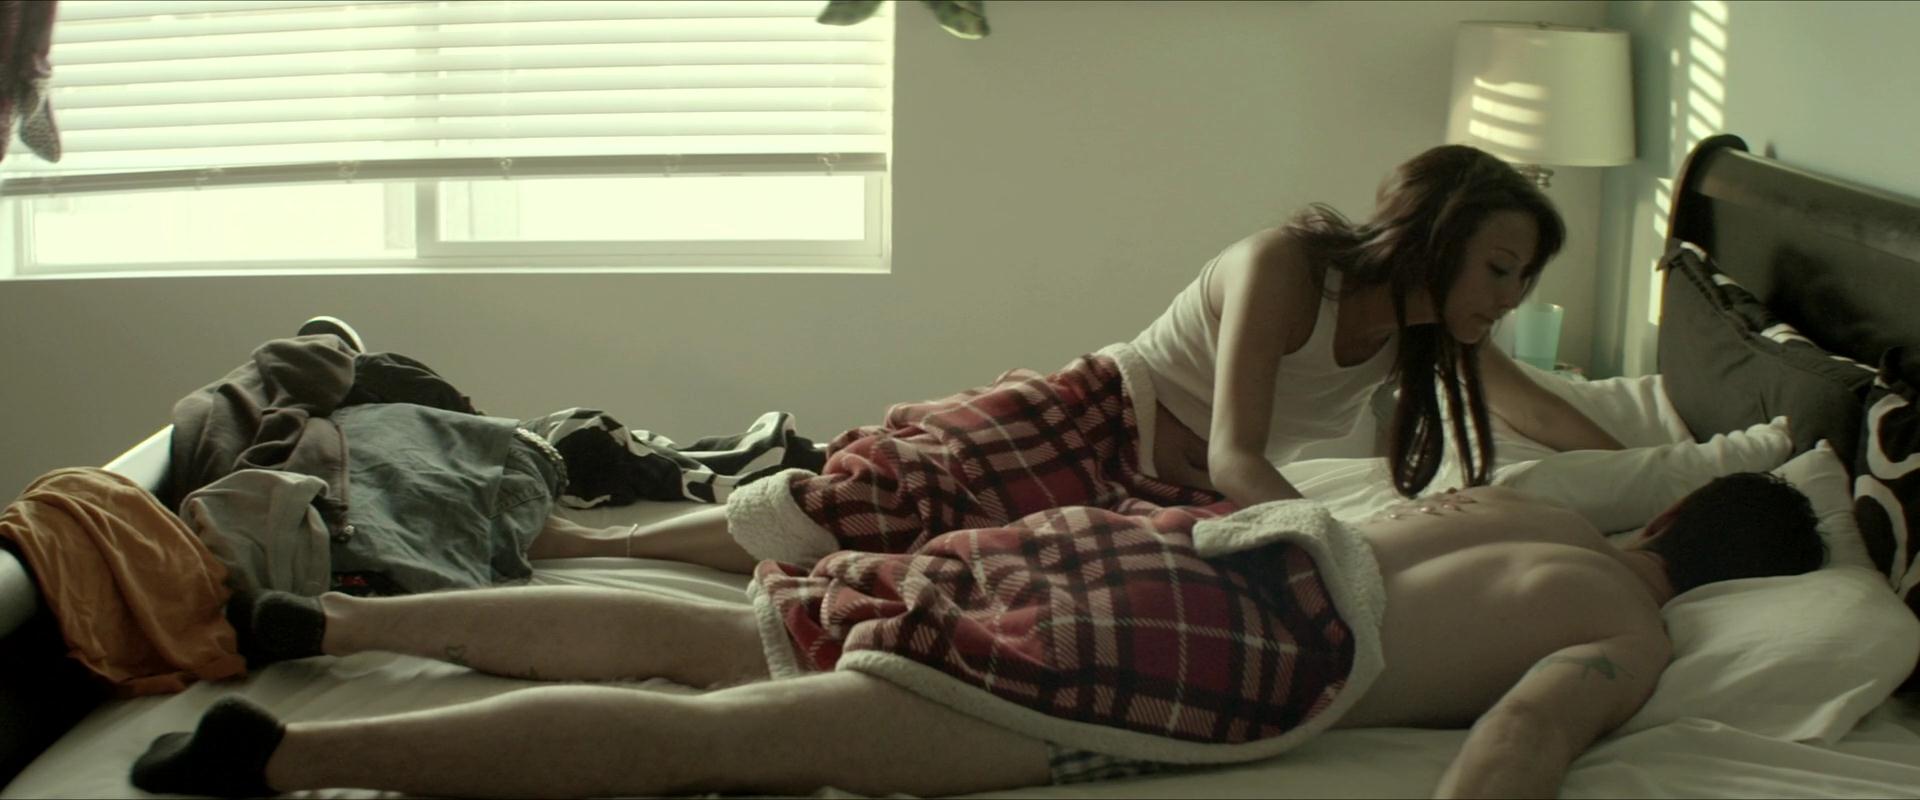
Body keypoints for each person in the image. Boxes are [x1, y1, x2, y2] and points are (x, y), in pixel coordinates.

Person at [130, 471, 1823, 799]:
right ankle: (287, 758)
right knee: (732, 746)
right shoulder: (1625, 626)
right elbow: (1521, 735)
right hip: (1223, 640)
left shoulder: (1526, 503)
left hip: (1142, 548)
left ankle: (329, 614)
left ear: (1674, 506)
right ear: (1715, 583)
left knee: (729, 630)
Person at [535, 143, 1626, 574]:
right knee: (865, 504)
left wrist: (1666, 470)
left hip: (1159, 493)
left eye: (1522, 278)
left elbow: (1547, 415)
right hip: (1097, 415)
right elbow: (1241, 455)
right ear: (1436, 236)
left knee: (944, 574)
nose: (1510, 298)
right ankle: (590, 542)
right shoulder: (1290, 266)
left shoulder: (1429, 339)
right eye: (1500, 268)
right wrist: (1345, 545)